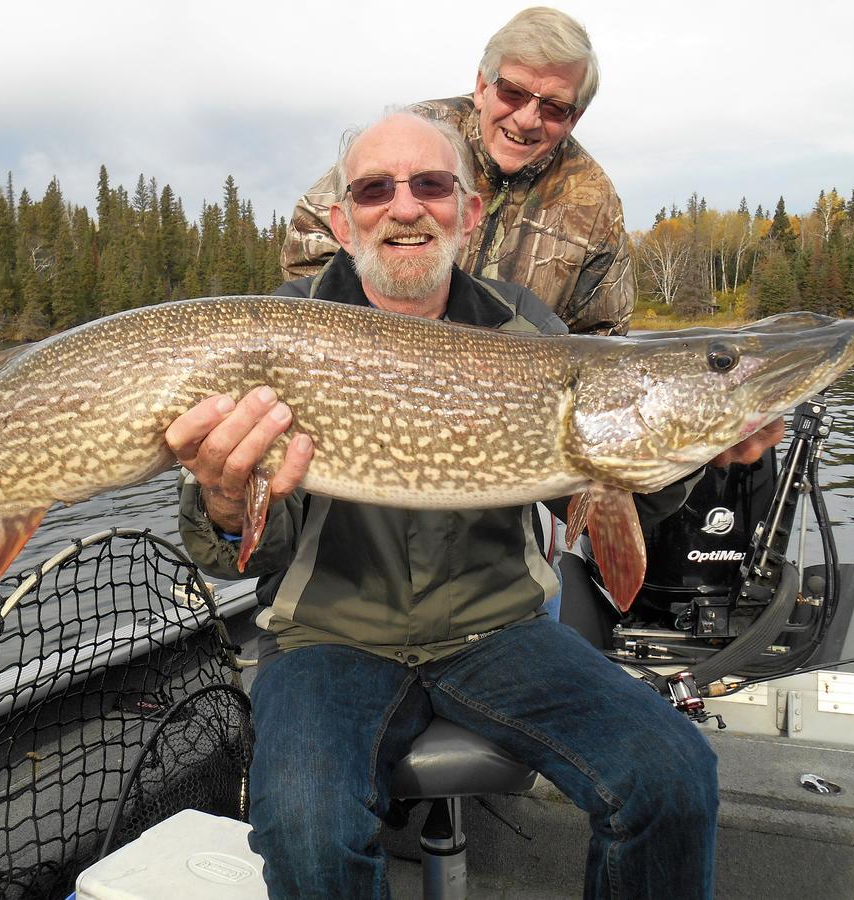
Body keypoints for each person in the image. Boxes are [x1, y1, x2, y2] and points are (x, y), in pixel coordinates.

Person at [165, 111, 724, 899]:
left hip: (501, 627)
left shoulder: (526, 329)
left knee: (673, 775)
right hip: (327, 633)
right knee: (305, 827)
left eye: (431, 185)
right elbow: (235, 555)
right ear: (341, 218)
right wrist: (225, 498)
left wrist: (694, 446)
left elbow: (611, 500)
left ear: (468, 212)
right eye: (374, 189)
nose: (404, 207)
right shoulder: (275, 332)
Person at [281, 6, 634, 337]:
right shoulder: (420, 135)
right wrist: (371, 345)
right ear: (483, 86)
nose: (527, 120)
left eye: (555, 107)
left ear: (575, 117)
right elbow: (311, 237)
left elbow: (601, 336)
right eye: (513, 93)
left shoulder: (594, 200)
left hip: (518, 371)